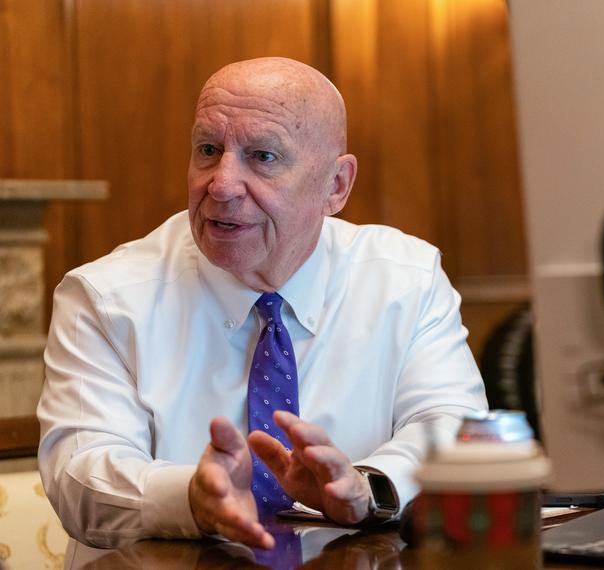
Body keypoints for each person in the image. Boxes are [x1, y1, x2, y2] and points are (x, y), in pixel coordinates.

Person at [37, 57, 487, 550]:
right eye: (208, 150)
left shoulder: (406, 279)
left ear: (335, 186)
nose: (222, 185)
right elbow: (78, 473)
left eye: (263, 157)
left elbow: (451, 425)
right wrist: (189, 498)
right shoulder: (105, 297)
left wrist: (371, 486)